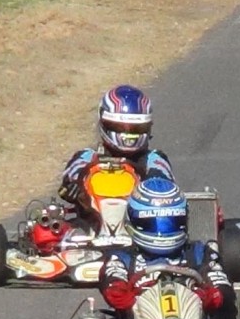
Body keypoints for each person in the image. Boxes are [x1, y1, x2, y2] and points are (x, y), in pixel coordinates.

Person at [98, 177, 236, 319]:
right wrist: (128, 297)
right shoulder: (122, 257)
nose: (162, 230)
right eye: (152, 223)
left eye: (171, 222)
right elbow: (112, 282)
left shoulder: (199, 253)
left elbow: (221, 286)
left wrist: (208, 296)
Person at [57, 84, 175, 229]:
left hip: (140, 230)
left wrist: (153, 185)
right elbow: (69, 178)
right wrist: (74, 185)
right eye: (120, 127)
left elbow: (164, 185)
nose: (129, 134)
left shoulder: (154, 159)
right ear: (105, 124)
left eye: (137, 128)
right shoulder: (86, 158)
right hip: (89, 232)